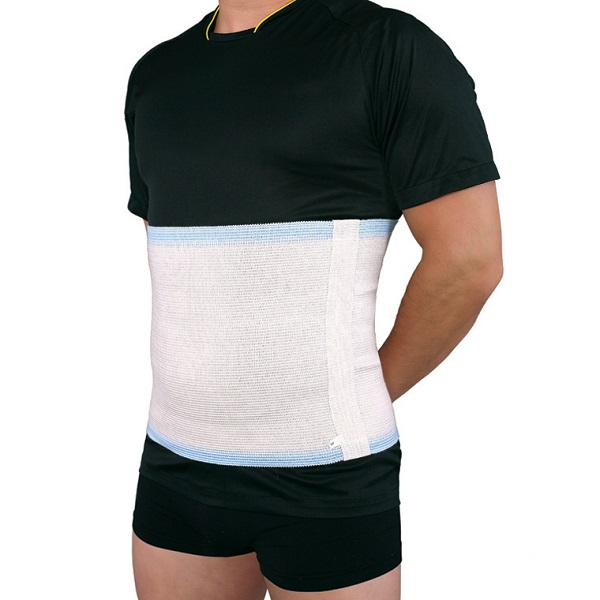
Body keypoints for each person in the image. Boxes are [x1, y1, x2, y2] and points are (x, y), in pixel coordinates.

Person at [124, 0, 503, 598]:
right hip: (177, 459)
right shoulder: (156, 74)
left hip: (327, 472)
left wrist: (355, 392)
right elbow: (180, 270)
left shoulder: (386, 48)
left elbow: (469, 261)